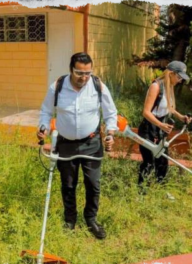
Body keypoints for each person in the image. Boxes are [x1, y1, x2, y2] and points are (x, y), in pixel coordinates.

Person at [37, 52, 118, 239]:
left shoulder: (97, 86)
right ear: (71, 70)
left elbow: (110, 113)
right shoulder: (57, 87)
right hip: (65, 144)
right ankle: (70, 221)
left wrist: (111, 133)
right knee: (68, 184)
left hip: (91, 142)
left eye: (88, 73)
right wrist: (43, 128)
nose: (84, 77)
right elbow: (46, 112)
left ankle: (91, 220)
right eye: (79, 73)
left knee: (93, 184)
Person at [137, 61, 192, 191]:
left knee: (162, 161)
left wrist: (181, 117)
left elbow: (169, 109)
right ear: (171, 74)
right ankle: (141, 192)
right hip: (149, 129)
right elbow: (146, 112)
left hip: (159, 129)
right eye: (179, 77)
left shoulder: (169, 86)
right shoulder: (156, 86)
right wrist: (161, 125)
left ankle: (160, 189)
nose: (179, 80)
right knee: (149, 161)